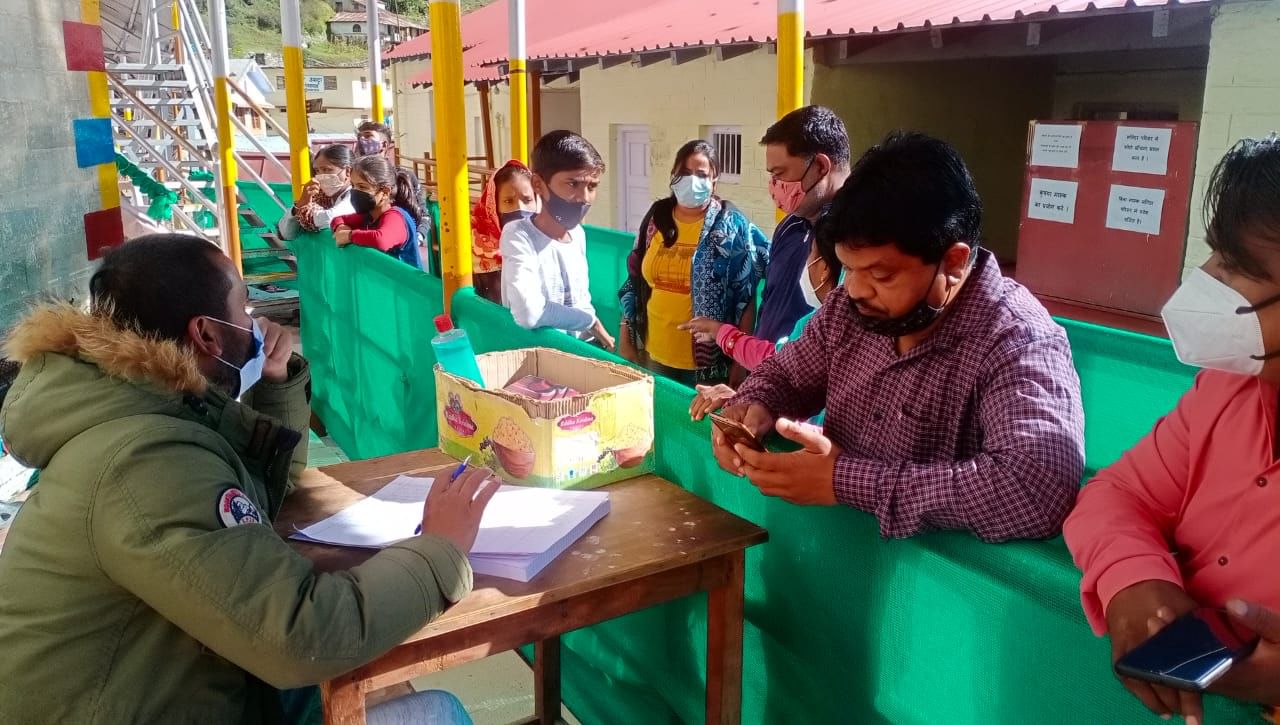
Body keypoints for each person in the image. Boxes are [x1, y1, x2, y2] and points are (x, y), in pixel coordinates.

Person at [0, 234, 494, 724]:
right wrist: (441, 551)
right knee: (437, 713)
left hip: (171, 687)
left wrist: (274, 383)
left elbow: (242, 502)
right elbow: (302, 638)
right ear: (207, 334)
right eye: (244, 308)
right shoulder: (147, 462)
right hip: (158, 703)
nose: (256, 324)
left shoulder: (134, 408)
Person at [710, 131, 1085, 542]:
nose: (854, 289)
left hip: (939, 598)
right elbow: (786, 374)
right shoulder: (849, 309)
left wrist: (843, 481)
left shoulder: (1017, 341)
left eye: (880, 274)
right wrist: (753, 405)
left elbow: (1035, 490)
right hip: (842, 567)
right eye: (847, 268)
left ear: (954, 263)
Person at [1064, 136, 1280, 724]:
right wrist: (1132, 579)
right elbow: (1118, 493)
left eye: (1236, 267)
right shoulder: (1226, 390)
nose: (1206, 281)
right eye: (1216, 255)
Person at [616, 139, 769, 386]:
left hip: (708, 362)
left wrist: (741, 363)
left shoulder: (731, 226)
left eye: (701, 174)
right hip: (654, 352)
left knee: (701, 423)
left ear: (714, 180)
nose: (692, 181)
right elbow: (634, 278)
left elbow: (747, 296)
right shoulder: (656, 219)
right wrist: (625, 335)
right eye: (685, 173)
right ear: (673, 176)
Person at [688, 237, 838, 420]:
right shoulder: (818, 323)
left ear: (825, 268)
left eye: (880, 276)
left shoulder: (832, 324)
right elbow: (781, 366)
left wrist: (723, 334)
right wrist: (746, 399)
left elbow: (777, 362)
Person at [500, 130, 614, 350]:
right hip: (538, 359)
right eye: (572, 184)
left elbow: (581, 298)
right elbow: (528, 313)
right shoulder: (518, 235)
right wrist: (590, 321)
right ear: (538, 184)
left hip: (580, 352)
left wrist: (593, 328)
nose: (584, 198)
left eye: (592, 187)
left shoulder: (578, 234)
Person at [753, 105, 852, 348]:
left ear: (820, 166)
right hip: (767, 368)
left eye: (780, 174)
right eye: (772, 176)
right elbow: (769, 300)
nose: (775, 186)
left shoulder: (855, 235)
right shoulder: (789, 225)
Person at [331, 155, 426, 270]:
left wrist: (350, 236)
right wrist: (341, 228)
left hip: (404, 286)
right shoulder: (369, 215)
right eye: (353, 186)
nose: (355, 192)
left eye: (362, 187)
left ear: (385, 192)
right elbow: (338, 219)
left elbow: (381, 239)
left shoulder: (396, 217)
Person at [472, 160, 540, 303]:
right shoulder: (473, 251)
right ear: (493, 206)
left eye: (527, 200)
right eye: (509, 201)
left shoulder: (547, 243)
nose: (520, 208)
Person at [278, 144, 356, 241]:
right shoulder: (320, 197)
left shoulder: (356, 196)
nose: (320, 175)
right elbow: (286, 233)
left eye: (327, 169)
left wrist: (305, 210)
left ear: (348, 171)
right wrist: (302, 202)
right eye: (317, 171)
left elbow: (329, 219)